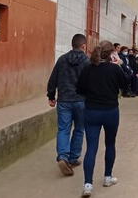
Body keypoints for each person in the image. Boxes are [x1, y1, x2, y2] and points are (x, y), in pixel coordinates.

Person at [77, 40, 126, 197]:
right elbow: (126, 85)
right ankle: (107, 177)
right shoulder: (114, 69)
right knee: (110, 144)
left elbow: (80, 89)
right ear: (111, 53)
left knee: (91, 147)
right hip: (111, 111)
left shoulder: (87, 69)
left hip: (91, 111)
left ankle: (88, 184)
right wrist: (120, 64)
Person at [47, 34, 90, 176]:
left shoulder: (62, 60)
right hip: (81, 101)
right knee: (79, 129)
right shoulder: (87, 61)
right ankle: (73, 158)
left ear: (72, 45)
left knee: (63, 129)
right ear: (83, 46)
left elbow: (53, 79)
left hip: (64, 100)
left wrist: (51, 96)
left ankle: (62, 157)